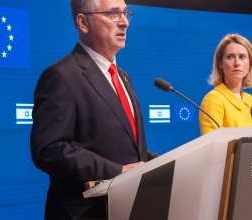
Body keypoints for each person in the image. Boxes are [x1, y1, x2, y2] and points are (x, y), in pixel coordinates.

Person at [30, 0, 158, 219]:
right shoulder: (62, 75)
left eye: (126, 13)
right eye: (113, 14)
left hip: (128, 207)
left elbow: (124, 148)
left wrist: (164, 163)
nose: (125, 22)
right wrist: (117, 172)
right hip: (87, 212)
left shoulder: (123, 77)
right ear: (83, 22)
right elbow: (49, 149)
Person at [199, 34, 252, 134]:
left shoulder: (250, 99)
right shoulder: (213, 99)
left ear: (249, 63)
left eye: (242, 57)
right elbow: (213, 147)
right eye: (230, 57)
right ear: (220, 63)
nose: (237, 63)